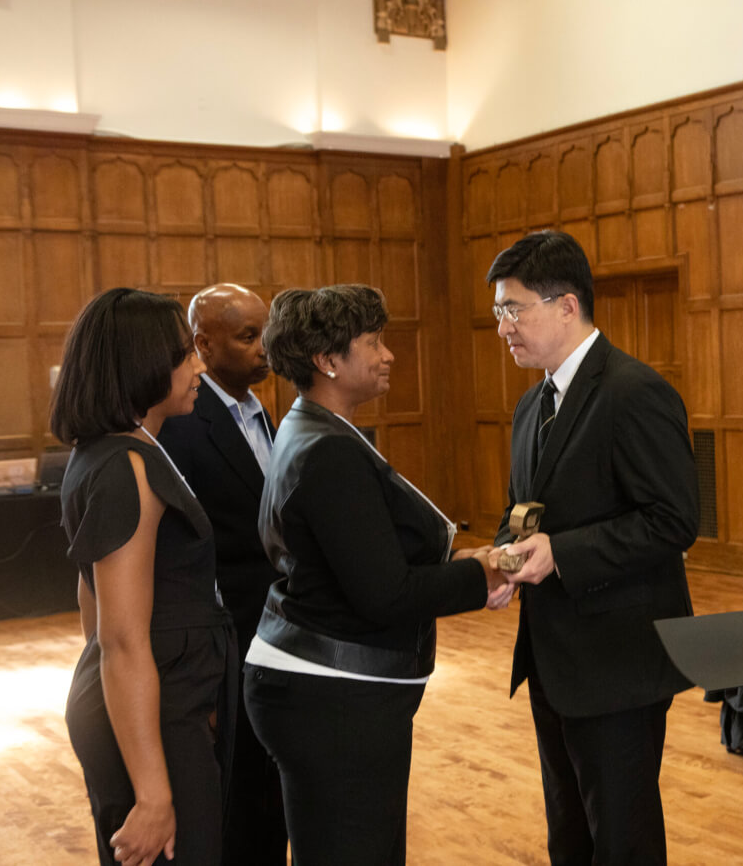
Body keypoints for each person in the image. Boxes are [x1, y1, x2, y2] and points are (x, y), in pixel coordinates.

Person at [241, 284, 511, 866]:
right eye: (373, 342)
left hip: (326, 690)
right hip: (331, 700)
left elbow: (362, 559)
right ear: (328, 361)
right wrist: (482, 574)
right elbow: (384, 595)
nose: (388, 355)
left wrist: (461, 565)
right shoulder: (328, 449)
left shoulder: (312, 427)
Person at [487, 231, 699, 865]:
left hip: (618, 665)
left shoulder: (635, 392)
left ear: (566, 306)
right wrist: (506, 555)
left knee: (623, 841)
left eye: (513, 309)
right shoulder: (532, 404)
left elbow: (673, 520)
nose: (504, 328)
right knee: (570, 836)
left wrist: (565, 554)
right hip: (553, 661)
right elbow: (522, 511)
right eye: (498, 312)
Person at [51, 287, 230, 866]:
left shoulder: (107, 451)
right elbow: (122, 641)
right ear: (141, 364)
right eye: (184, 354)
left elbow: (91, 601)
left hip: (148, 705)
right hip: (152, 719)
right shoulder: (125, 464)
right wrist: (153, 794)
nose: (199, 365)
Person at [158, 283, 287, 864]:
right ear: (203, 344)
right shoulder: (183, 425)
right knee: (236, 806)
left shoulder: (266, 412)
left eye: (266, 332)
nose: (265, 348)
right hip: (225, 645)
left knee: (270, 798)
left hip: (277, 639)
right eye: (247, 336)